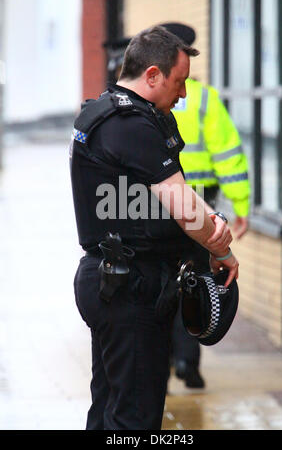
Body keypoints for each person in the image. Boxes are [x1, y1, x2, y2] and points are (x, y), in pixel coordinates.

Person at [70, 25, 239, 430]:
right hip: (130, 291)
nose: (183, 94)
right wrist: (221, 248)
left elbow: (154, 202)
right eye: (179, 82)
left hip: (116, 282)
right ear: (151, 76)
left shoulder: (109, 113)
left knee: (109, 408)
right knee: (135, 421)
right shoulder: (132, 125)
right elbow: (184, 209)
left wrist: (205, 231)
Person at [159, 22, 250, 389]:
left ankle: (162, 361)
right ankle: (189, 362)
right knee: (195, 281)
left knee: (162, 281)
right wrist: (241, 205)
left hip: (158, 206)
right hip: (202, 208)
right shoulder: (206, 99)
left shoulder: (150, 97)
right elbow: (229, 155)